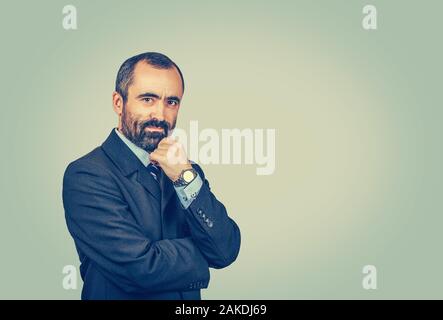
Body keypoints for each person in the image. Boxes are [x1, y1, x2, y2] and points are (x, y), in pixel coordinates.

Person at [62, 52, 241, 300]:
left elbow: (225, 249)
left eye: (172, 102)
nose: (160, 114)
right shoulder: (87, 175)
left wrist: (184, 176)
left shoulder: (186, 171)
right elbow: (140, 268)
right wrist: (203, 251)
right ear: (118, 102)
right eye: (148, 99)